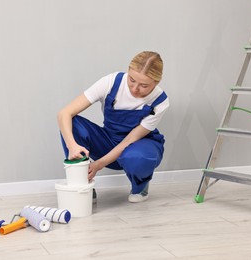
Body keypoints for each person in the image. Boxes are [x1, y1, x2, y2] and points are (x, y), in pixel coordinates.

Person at [57, 51, 169, 203]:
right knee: (73, 124)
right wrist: (72, 146)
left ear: (156, 82)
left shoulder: (160, 101)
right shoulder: (111, 82)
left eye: (144, 85)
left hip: (138, 146)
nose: (135, 88)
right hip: (109, 141)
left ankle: (140, 187)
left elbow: (130, 140)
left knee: (136, 157)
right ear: (128, 71)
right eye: (132, 80)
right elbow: (64, 113)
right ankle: (84, 186)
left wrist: (98, 164)